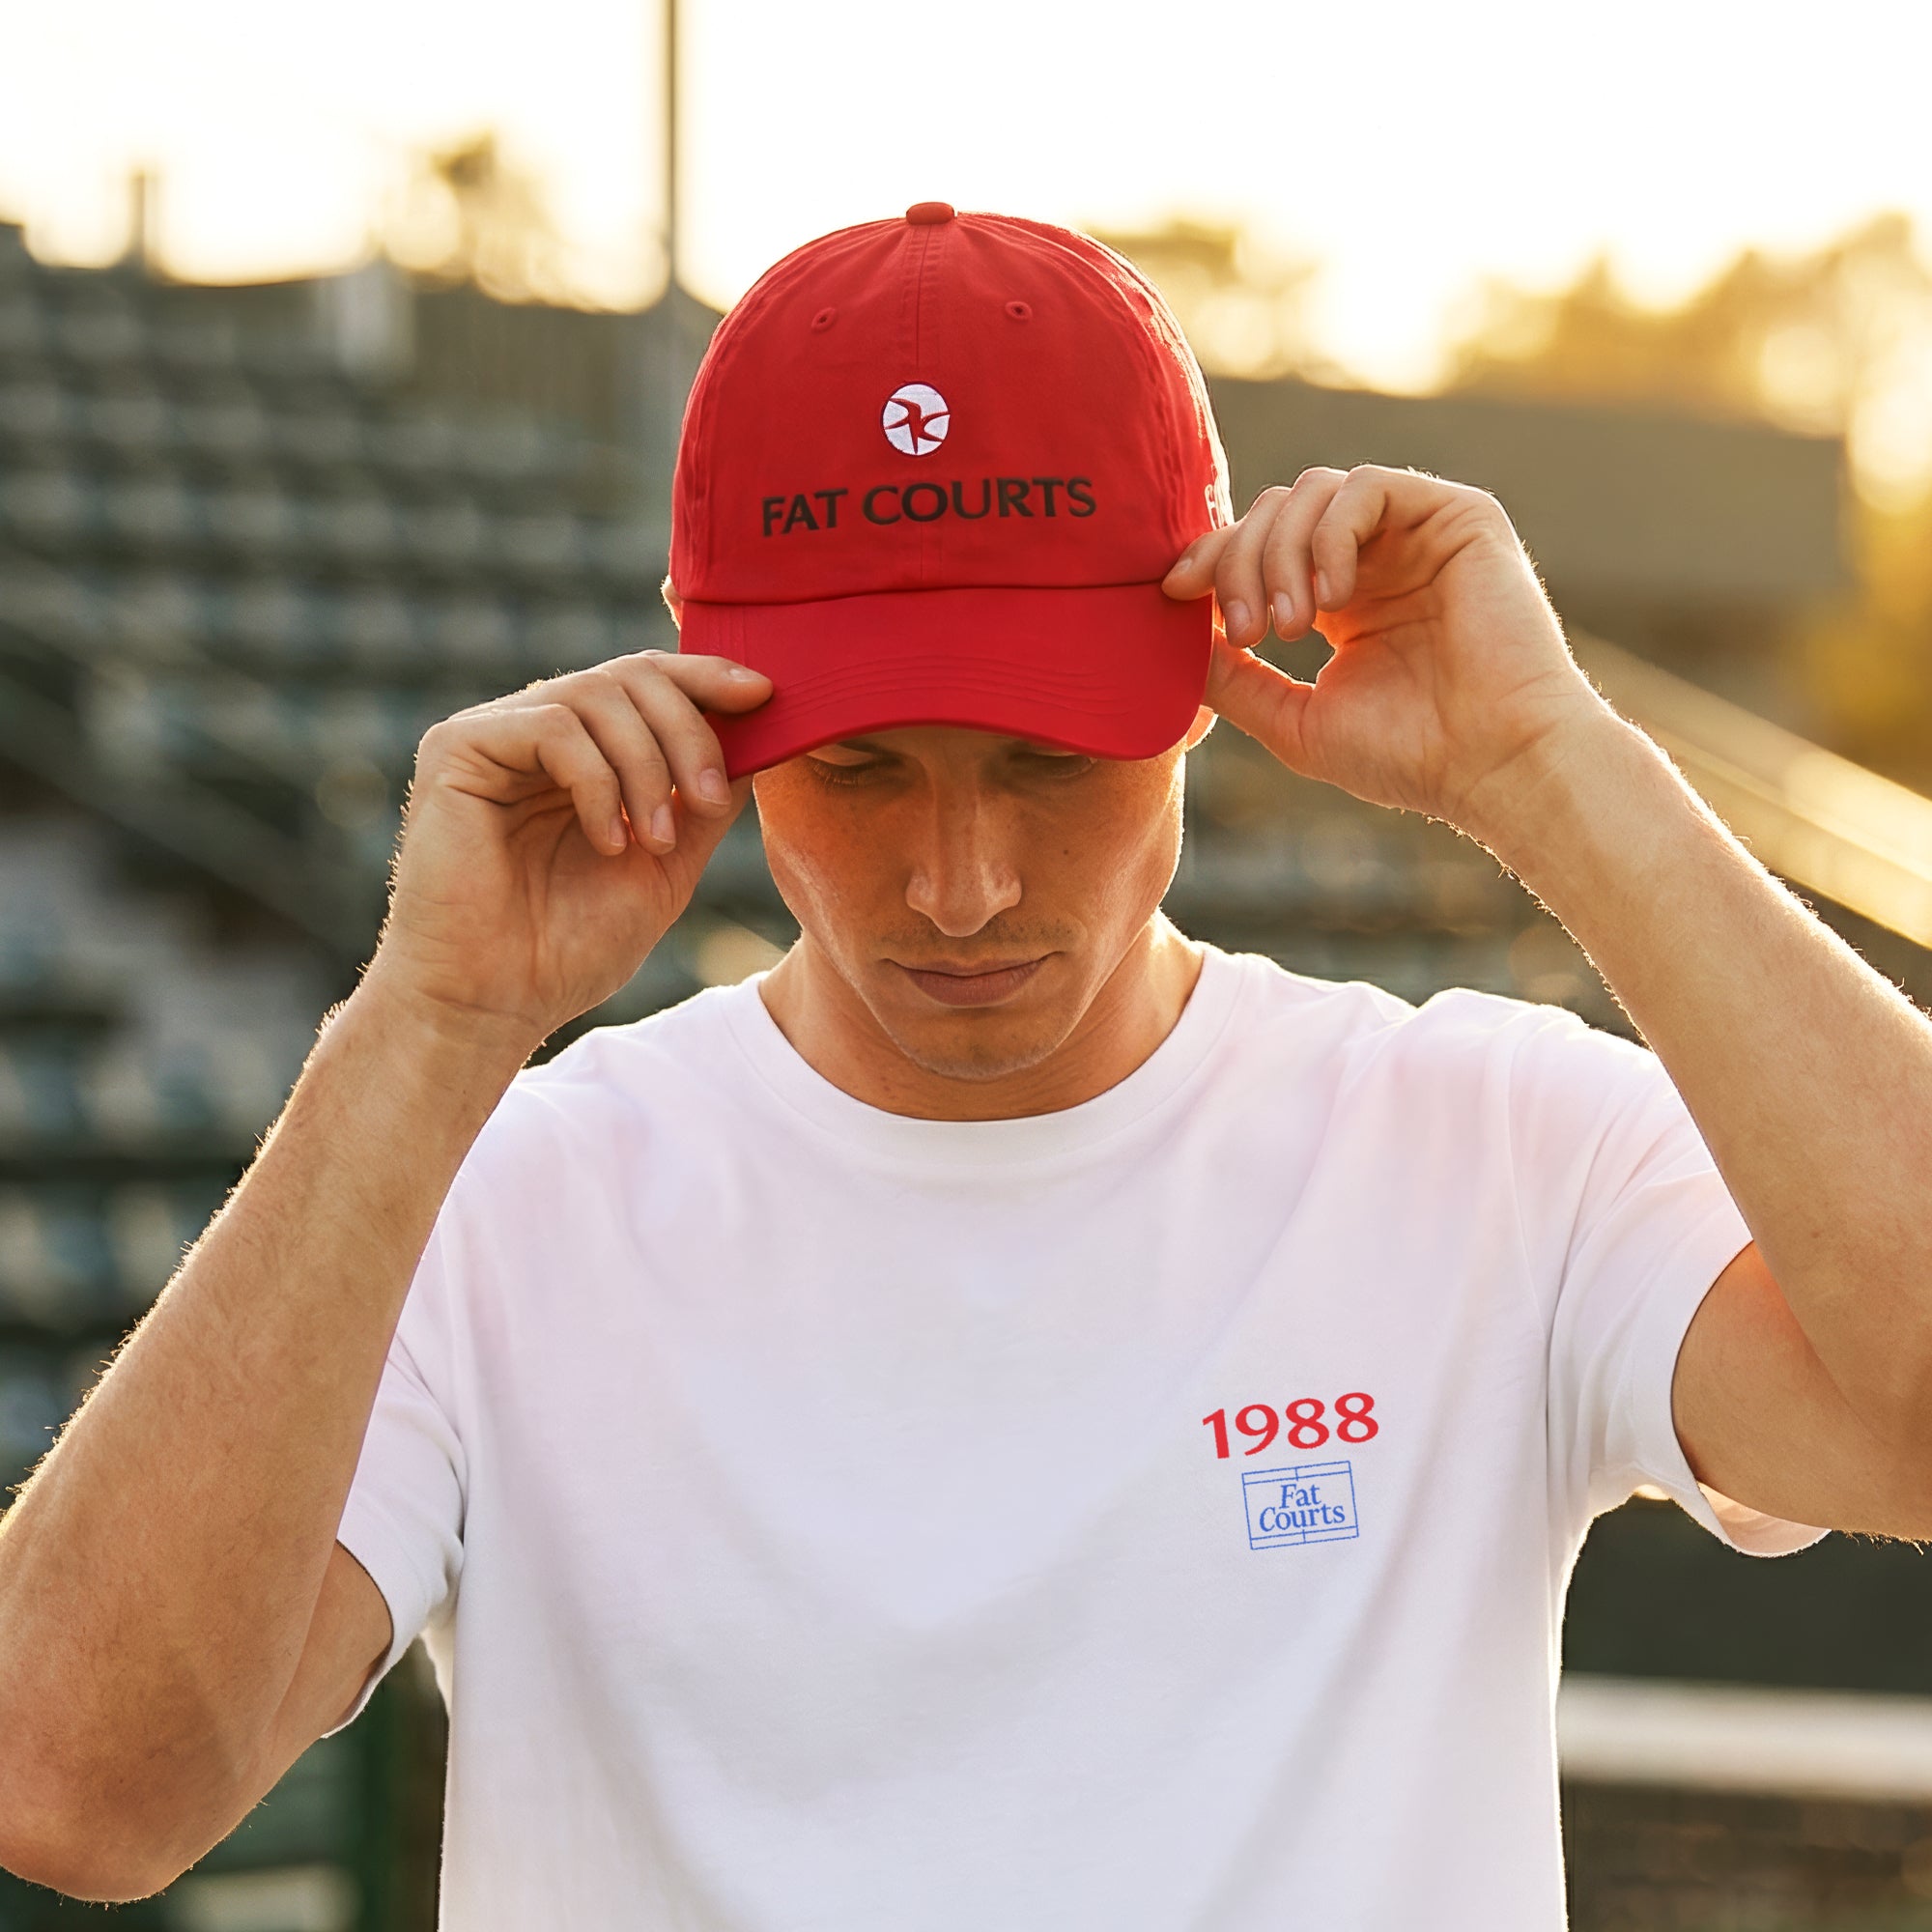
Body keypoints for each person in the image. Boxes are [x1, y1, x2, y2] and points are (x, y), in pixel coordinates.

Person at [3, 203, 1930, 1931]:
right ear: (717, 717)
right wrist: (421, 1032)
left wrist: (1548, 766)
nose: (962, 880)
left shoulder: (1493, 1143)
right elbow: (75, 1789)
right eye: (859, 770)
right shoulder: (498, 1194)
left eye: (1046, 761)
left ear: (1192, 689)